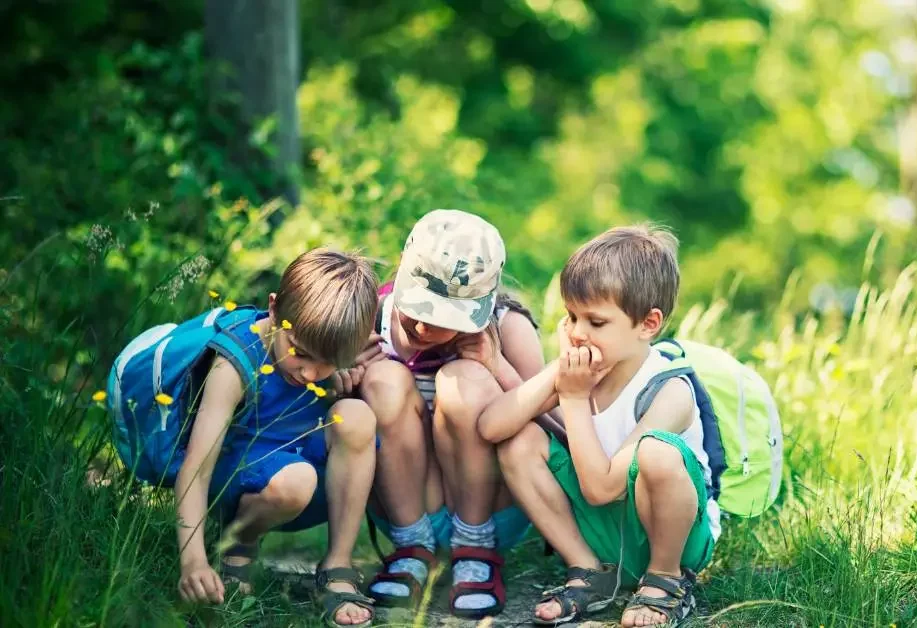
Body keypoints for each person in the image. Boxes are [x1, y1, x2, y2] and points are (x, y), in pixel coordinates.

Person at [480, 224, 721, 627]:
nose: (576, 333)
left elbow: (602, 489)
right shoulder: (580, 367)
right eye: (571, 317)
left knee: (657, 453)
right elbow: (491, 427)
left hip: (671, 537)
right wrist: (556, 375)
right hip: (605, 535)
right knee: (518, 441)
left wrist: (572, 398)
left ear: (648, 324)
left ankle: (665, 582)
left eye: (595, 321)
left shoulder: (670, 390)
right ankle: (589, 571)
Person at [132, 248, 381, 627]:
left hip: (296, 470)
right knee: (297, 481)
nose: (311, 373)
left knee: (357, 416)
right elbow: (196, 471)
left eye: (327, 362)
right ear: (275, 310)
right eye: (300, 353)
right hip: (234, 480)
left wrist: (341, 382)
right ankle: (236, 544)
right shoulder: (235, 364)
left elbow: (326, 396)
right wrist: (192, 561)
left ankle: (337, 566)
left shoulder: (323, 353)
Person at [346, 209, 547, 619]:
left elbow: (555, 427)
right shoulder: (369, 317)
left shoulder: (508, 328)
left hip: (491, 511)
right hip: (407, 505)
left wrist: (498, 368)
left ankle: (476, 551)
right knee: (384, 379)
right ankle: (411, 548)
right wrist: (345, 376)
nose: (422, 328)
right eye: (418, 308)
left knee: (464, 380)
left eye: (443, 319)